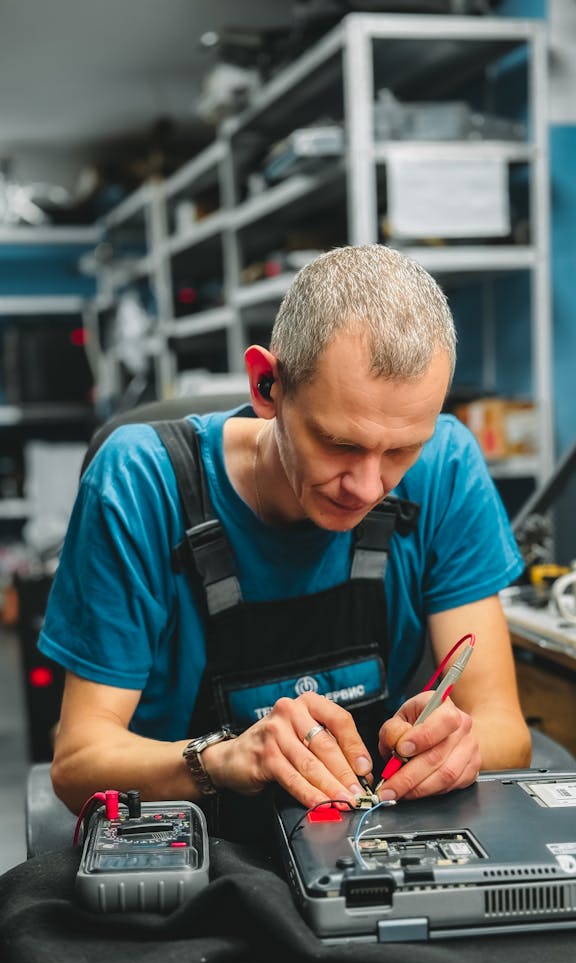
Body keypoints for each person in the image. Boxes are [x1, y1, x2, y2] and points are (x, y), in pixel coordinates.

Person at [40, 244, 531, 819]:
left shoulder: (446, 464)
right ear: (266, 385)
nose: (369, 487)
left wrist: (452, 749)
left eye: (401, 450)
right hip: (193, 838)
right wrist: (223, 758)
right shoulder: (141, 481)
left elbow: (504, 730)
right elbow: (77, 765)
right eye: (340, 444)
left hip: (363, 830)